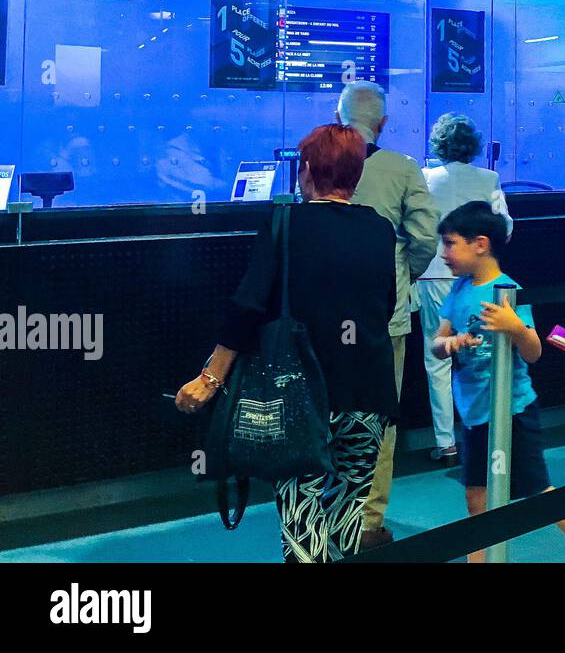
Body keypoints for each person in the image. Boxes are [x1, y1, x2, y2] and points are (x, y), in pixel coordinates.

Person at [176, 124, 400, 562]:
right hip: (369, 391)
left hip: (303, 395)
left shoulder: (285, 223)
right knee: (349, 508)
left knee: (302, 507)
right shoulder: (380, 229)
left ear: (308, 169)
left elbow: (248, 306)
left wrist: (210, 378)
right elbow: (385, 305)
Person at [431, 201, 565, 564]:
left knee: (539, 492)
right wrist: (448, 344)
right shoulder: (458, 290)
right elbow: (437, 342)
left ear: (480, 244)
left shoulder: (509, 290)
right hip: (475, 414)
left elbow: (534, 351)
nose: (444, 253)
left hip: (512, 411)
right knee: (476, 499)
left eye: (451, 244)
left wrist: (513, 327)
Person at [338, 81, 441, 551]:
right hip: (386, 315)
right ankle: (367, 523)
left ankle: (324, 509)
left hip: (324, 315)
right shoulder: (402, 168)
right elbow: (425, 238)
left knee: (329, 411)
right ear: (383, 123)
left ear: (339, 118)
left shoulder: (319, 163)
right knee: (380, 418)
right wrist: (405, 274)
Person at [415, 113, 513, 467]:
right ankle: (486, 430)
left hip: (433, 275)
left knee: (436, 359)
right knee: (486, 353)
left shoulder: (425, 178)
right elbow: (506, 226)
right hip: (478, 276)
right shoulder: (489, 178)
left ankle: (445, 443)